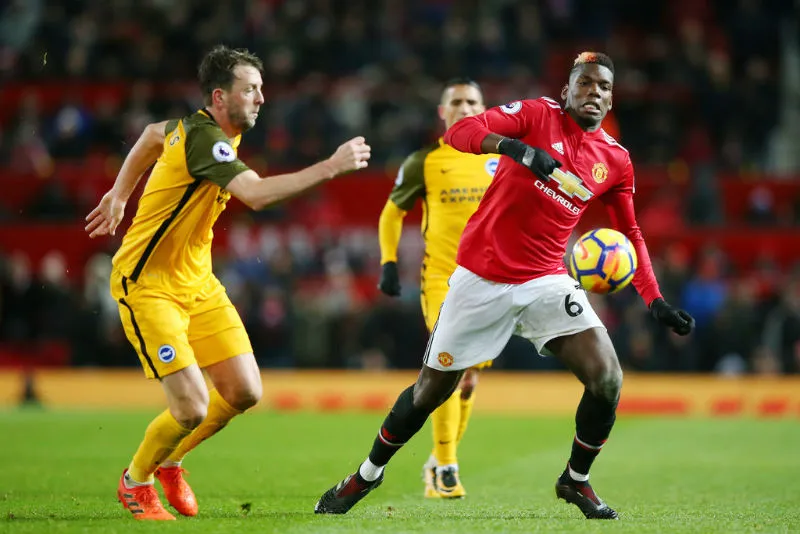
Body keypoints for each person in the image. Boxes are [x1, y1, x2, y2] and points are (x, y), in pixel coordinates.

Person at [315, 52, 694, 520]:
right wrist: (514, 148)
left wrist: (654, 299)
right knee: (430, 393)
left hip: (546, 281)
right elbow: (461, 132)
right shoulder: (536, 115)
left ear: (611, 99)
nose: (593, 92)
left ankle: (575, 480)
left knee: (608, 378)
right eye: (585, 83)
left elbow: (630, 233)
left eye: (603, 87)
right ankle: (366, 475)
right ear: (567, 91)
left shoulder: (615, 160)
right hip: (481, 278)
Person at [85, 45, 370, 521]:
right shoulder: (206, 140)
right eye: (250, 89)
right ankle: (136, 481)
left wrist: (119, 192)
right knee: (192, 407)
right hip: (148, 284)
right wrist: (332, 166)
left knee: (243, 391)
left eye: (261, 88)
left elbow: (152, 135)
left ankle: (171, 460)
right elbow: (255, 195)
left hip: (197, 282)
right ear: (219, 97)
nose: (261, 98)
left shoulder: (195, 131)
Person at [377, 78, 498, 499]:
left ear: (484, 110)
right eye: (456, 102)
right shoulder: (424, 160)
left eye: (472, 101)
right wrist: (388, 262)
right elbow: (392, 213)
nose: (464, 107)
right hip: (442, 281)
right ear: (443, 112)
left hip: (491, 282)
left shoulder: (502, 159)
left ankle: (437, 461)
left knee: (468, 379)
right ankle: (446, 468)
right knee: (450, 365)